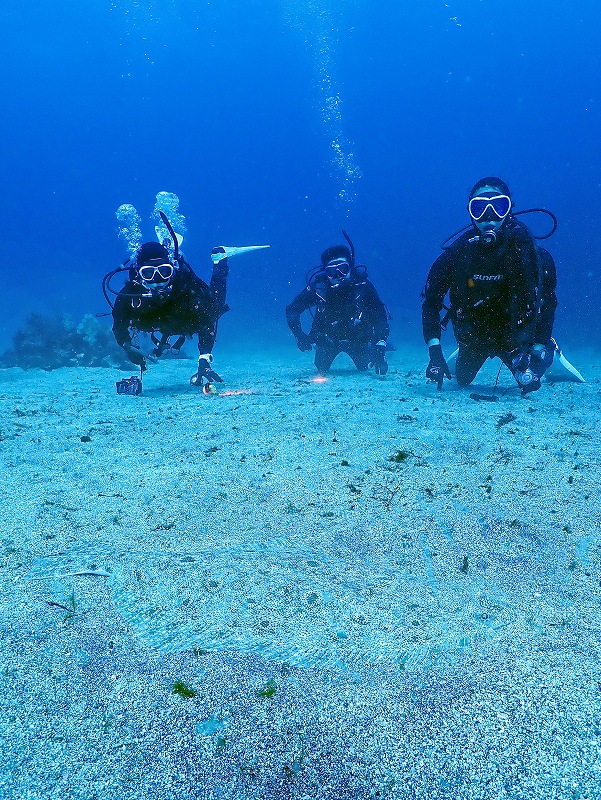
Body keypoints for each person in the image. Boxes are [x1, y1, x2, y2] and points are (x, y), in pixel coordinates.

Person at [422, 177, 558, 394]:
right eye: (479, 207)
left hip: (513, 336)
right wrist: (435, 352)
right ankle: (465, 353)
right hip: (474, 337)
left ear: (509, 209)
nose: (488, 216)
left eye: (498, 206)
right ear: (470, 212)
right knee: (463, 380)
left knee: (529, 381)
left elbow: (548, 302)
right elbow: (431, 303)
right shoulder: (455, 255)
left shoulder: (531, 255)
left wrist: (539, 347)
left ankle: (550, 346)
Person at [110, 237, 230, 390]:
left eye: (164, 271)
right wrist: (128, 347)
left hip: (183, 320)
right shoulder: (129, 296)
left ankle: (220, 263)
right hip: (161, 323)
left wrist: (204, 357)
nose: (158, 280)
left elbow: (206, 321)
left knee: (215, 307)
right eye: (148, 273)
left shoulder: (185, 285)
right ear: (139, 275)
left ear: (172, 270)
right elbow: (119, 325)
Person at [286, 238, 390, 376]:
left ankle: (374, 349)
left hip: (358, 338)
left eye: (342, 269)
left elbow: (379, 314)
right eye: (331, 272)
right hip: (327, 338)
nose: (338, 276)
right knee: (321, 367)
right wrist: (299, 336)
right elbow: (293, 309)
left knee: (364, 366)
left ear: (350, 268)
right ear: (325, 273)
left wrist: (380, 343)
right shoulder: (318, 288)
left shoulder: (363, 286)